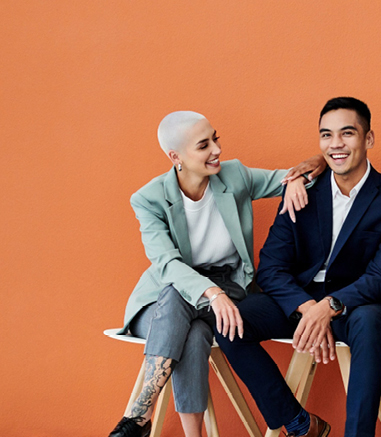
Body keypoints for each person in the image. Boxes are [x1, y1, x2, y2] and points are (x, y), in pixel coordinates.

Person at [110, 111, 324, 437]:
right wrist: (211, 293)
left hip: (228, 285)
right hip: (161, 302)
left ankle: (139, 415)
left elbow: (302, 173)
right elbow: (167, 264)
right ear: (175, 157)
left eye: (215, 138)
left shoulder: (234, 176)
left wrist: (297, 177)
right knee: (187, 317)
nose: (216, 150)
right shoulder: (149, 199)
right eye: (203, 145)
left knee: (192, 321)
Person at [216, 97, 381, 437]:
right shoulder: (301, 191)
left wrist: (330, 307)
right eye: (326, 135)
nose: (335, 144)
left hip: (358, 303)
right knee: (230, 323)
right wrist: (309, 307)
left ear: (368, 139)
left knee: (369, 325)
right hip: (299, 299)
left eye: (347, 133)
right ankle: (298, 423)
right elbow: (271, 267)